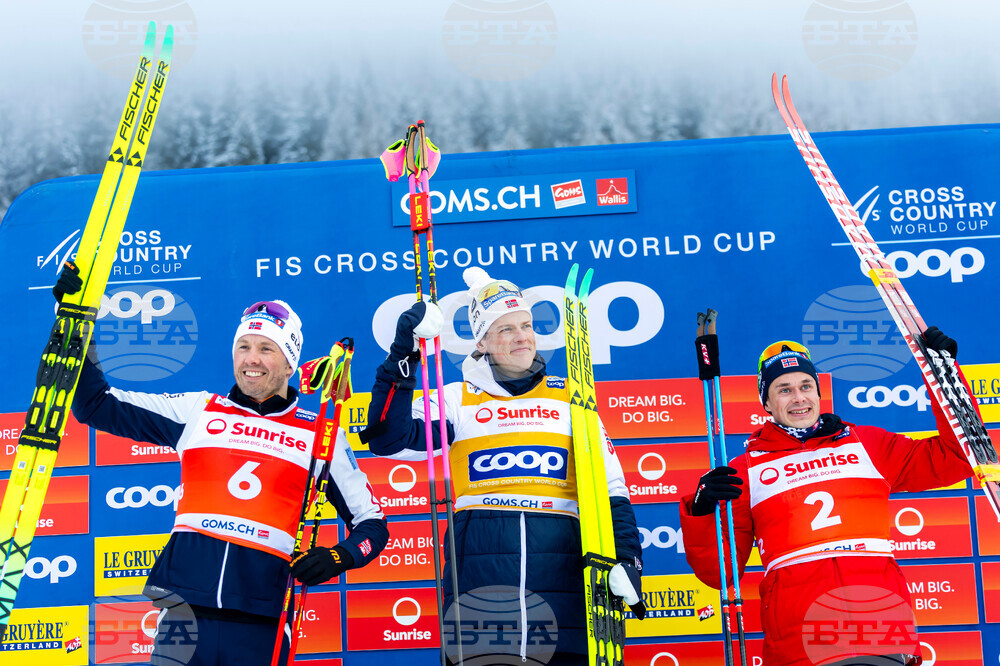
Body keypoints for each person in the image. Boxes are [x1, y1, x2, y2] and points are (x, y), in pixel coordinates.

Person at [56, 264, 388, 666]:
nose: (252, 359)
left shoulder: (320, 435)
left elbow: (372, 524)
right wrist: (73, 323)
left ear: (290, 363)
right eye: (243, 346)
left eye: (267, 349)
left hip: (262, 615)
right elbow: (95, 404)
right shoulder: (199, 410)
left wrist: (340, 557)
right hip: (183, 610)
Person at [362, 267, 644, 666]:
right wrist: (403, 354)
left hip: (563, 576)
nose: (522, 337)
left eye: (527, 325)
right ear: (482, 340)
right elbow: (387, 437)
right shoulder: (457, 401)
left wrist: (628, 560)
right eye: (506, 329)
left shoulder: (572, 400)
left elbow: (612, 490)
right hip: (482, 578)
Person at [679, 332, 974, 666]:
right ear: (766, 402)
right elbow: (719, 573)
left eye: (806, 386)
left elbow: (959, 457)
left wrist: (946, 379)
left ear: (819, 392)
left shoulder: (867, 444)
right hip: (799, 637)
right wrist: (703, 509)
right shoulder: (745, 469)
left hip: (878, 623)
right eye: (784, 390)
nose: (798, 398)